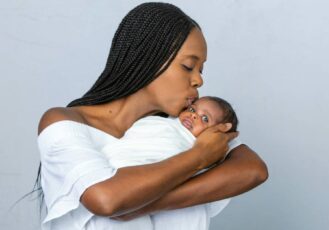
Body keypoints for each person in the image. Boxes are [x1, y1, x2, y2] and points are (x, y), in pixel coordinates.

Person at [37, 2, 268, 230]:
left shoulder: (183, 125)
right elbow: (106, 199)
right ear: (148, 58)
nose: (199, 81)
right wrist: (198, 157)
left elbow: (252, 169)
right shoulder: (64, 122)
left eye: (201, 70)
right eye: (188, 66)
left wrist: (141, 205)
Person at [101, 96, 239, 229]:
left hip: (165, 192)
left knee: (193, 209)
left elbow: (216, 182)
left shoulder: (207, 148)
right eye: (192, 109)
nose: (194, 116)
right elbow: (136, 138)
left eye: (205, 118)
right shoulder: (163, 123)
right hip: (125, 173)